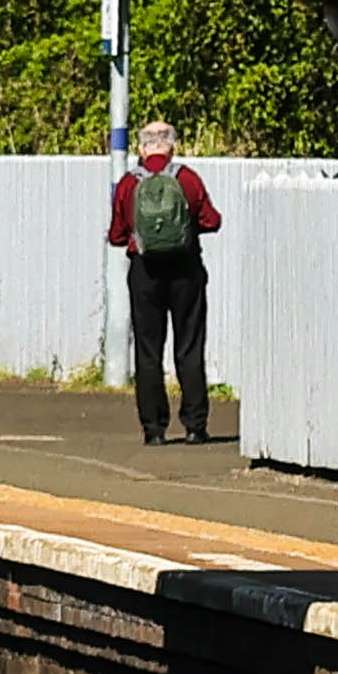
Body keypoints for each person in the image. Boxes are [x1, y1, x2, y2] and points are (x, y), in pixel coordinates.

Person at [108, 118, 220, 446]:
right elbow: (211, 220)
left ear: (141, 148)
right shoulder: (186, 178)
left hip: (145, 271)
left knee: (148, 350)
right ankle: (195, 426)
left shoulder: (129, 183)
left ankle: (154, 429)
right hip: (185, 269)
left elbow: (117, 235)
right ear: (172, 147)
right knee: (189, 346)